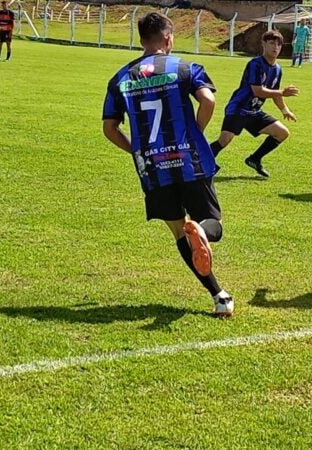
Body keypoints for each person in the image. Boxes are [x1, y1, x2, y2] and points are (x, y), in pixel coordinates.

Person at [102, 12, 233, 317]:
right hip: (189, 159)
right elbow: (209, 101)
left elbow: (109, 128)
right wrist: (196, 133)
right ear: (168, 38)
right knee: (211, 225)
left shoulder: (121, 77)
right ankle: (201, 230)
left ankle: (219, 295)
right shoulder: (184, 67)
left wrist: (137, 150)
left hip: (152, 167)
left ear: (142, 39)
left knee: (178, 231)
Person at [208, 30, 299, 178]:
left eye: (278, 44)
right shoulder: (255, 64)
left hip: (253, 111)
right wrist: (282, 92)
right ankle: (201, 163)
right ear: (263, 44)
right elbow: (258, 91)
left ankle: (255, 159)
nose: (275, 47)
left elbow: (274, 92)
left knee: (282, 133)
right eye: (271, 43)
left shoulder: (278, 69)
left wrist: (285, 110)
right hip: (239, 108)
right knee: (224, 140)